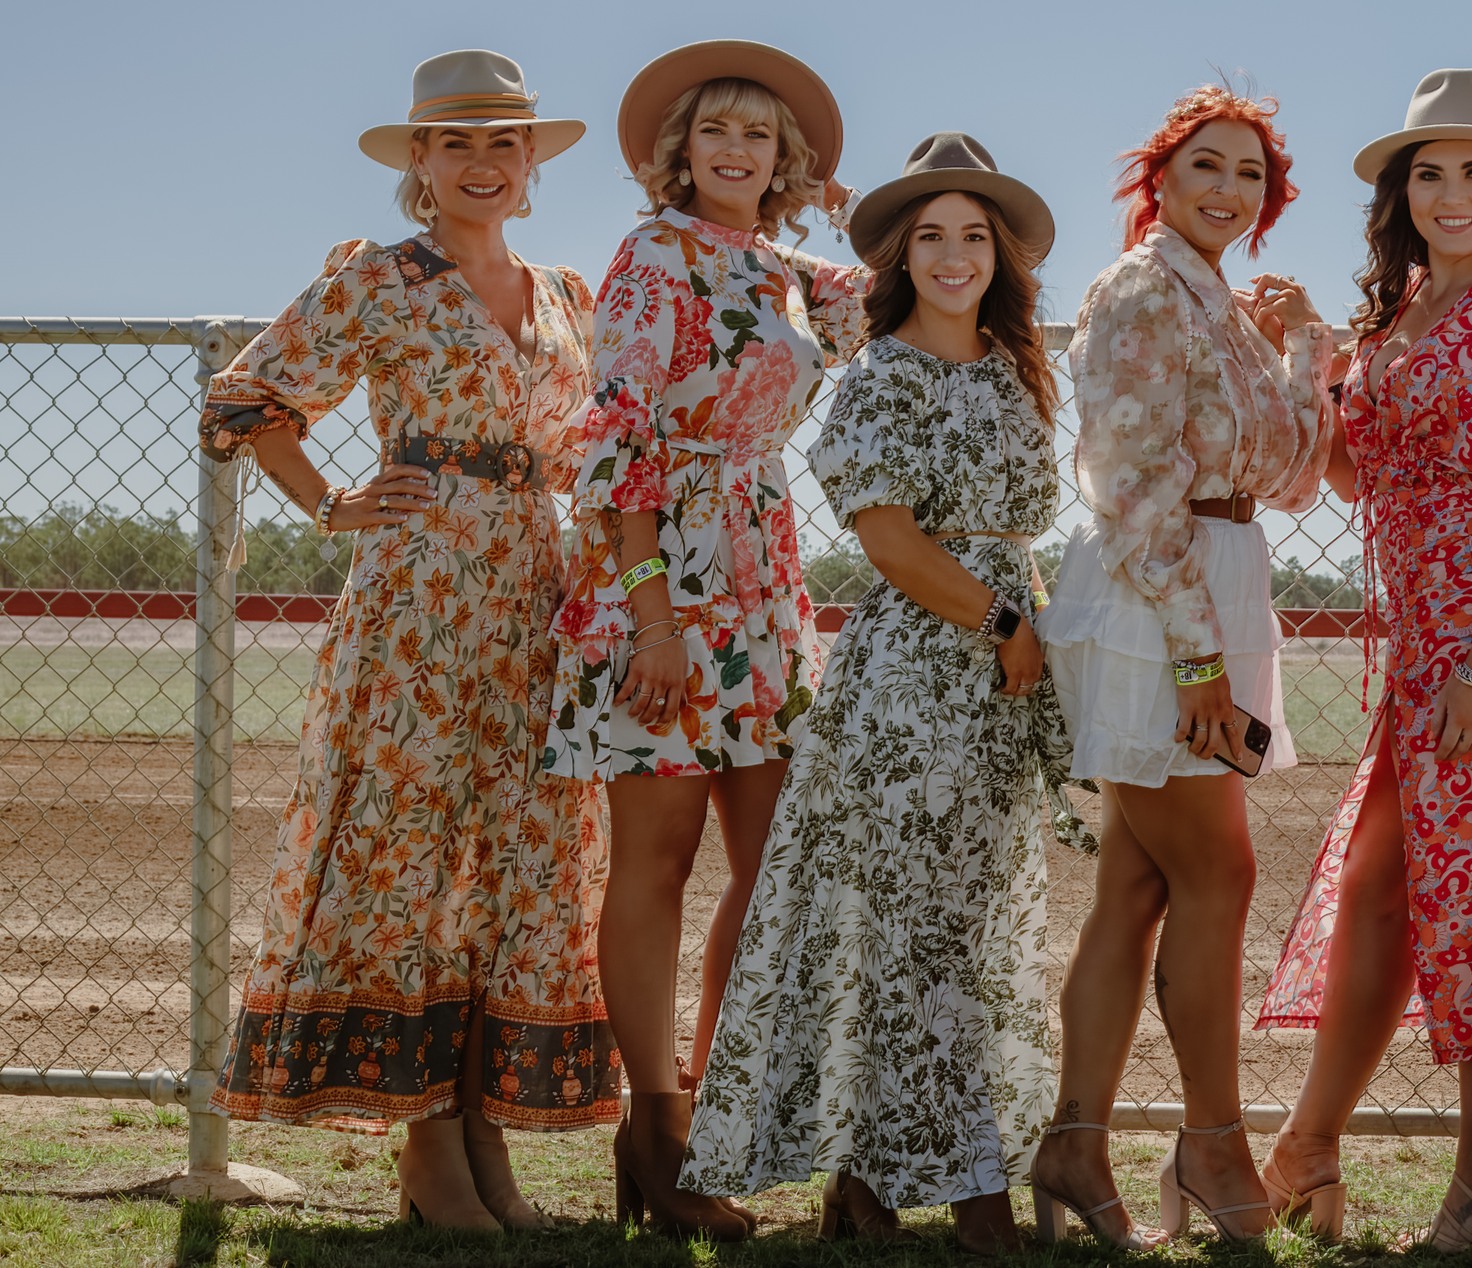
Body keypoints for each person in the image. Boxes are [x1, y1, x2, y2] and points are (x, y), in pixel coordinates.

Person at [198, 50, 611, 1231]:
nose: (482, 164)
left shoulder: (568, 294)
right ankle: (428, 1150)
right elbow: (249, 400)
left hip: (539, 592)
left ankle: (484, 1137)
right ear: (419, 167)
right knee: (417, 850)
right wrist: (329, 501)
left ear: (531, 166)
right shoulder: (377, 280)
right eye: (456, 144)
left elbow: (594, 449)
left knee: (524, 857)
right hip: (420, 596)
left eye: (503, 144)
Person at [677, 133, 1070, 1256]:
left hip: (1001, 672)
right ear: (902, 257)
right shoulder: (880, 374)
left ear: (1000, 255)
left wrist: (1029, 634)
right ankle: (974, 1192)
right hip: (916, 675)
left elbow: (1016, 531)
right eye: (931, 237)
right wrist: (1005, 623)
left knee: (957, 922)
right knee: (914, 929)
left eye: (975, 236)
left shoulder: (1008, 368)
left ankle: (864, 1183)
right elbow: (891, 542)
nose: (954, 257)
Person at [539, 40, 863, 1241]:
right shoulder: (653, 254)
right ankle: (659, 1124)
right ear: (679, 152)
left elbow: (876, 306)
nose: (735, 151)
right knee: (659, 864)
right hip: (661, 579)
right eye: (716, 132)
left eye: (760, 137)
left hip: (765, 580)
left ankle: (713, 1111)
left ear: (786, 160)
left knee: (777, 863)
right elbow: (618, 439)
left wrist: (832, 215)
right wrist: (654, 614)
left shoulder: (780, 267)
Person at [1257, 69, 1472, 1252]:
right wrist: (1310, 348)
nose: (1450, 193)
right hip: (1413, 644)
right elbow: (1360, 477)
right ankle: (1308, 1145)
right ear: (1402, 194)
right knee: (1379, 890)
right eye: (1428, 173)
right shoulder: (1395, 313)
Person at [1032, 84, 1336, 1247]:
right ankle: (1214, 1143)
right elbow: (1127, 478)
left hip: (1221, 575)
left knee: (1138, 884)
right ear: (1156, 178)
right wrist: (1197, 658)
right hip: (1156, 604)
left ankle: (1074, 1144)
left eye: (1248, 175)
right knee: (1219, 874)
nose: (1226, 190)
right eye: (1204, 165)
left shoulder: (1224, 306)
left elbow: (1297, 474)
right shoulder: (1139, 289)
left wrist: (1306, 341)